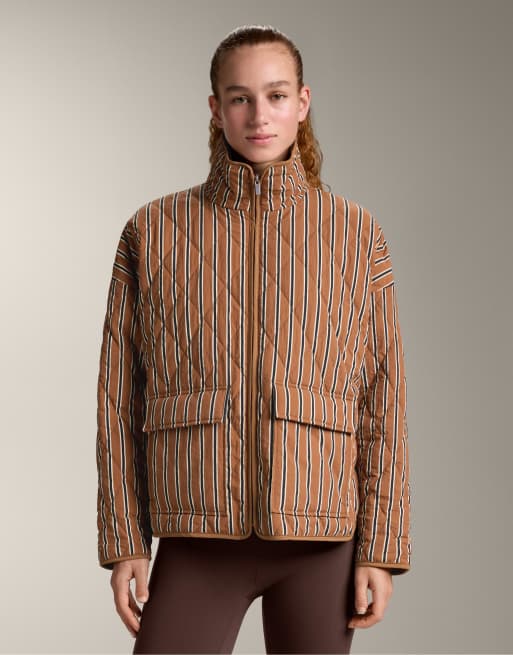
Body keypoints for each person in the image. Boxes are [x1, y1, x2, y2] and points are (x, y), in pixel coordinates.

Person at [95, 24, 412, 654]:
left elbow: (383, 400)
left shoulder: (356, 235)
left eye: (276, 95)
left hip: (321, 536)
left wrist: (381, 546)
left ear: (303, 102)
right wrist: (125, 538)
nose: (259, 115)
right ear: (216, 109)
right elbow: (118, 398)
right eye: (240, 98)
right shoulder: (152, 231)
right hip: (196, 529)